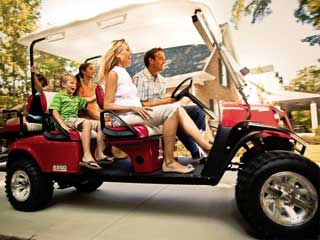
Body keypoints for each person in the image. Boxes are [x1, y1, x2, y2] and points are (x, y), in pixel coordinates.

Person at [97, 39, 212, 174]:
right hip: (123, 118)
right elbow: (107, 104)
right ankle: (200, 150)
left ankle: (194, 151)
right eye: (127, 50)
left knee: (177, 110)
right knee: (174, 110)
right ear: (117, 54)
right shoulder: (114, 73)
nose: (131, 52)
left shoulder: (124, 73)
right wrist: (133, 108)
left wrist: (138, 107)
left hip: (135, 114)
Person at [133, 47, 206, 160]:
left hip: (163, 111)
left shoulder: (162, 80)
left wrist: (171, 101)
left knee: (198, 111)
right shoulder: (139, 78)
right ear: (151, 61)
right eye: (161, 59)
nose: (164, 62)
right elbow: (140, 105)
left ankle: (198, 140)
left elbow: (163, 102)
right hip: (147, 114)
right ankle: (197, 151)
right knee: (178, 119)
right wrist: (165, 101)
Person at [49, 73, 109, 170]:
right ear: (64, 85)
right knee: (87, 122)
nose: (74, 85)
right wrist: (62, 125)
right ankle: (86, 156)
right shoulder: (59, 96)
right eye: (71, 83)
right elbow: (54, 111)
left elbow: (90, 99)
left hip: (75, 120)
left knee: (102, 123)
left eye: (75, 84)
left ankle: (99, 153)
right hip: (66, 120)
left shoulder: (76, 99)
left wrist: (103, 89)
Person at [75, 62, 127, 160]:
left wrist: (104, 115)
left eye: (93, 69)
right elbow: (84, 108)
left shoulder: (95, 86)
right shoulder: (79, 87)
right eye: (90, 69)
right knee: (105, 124)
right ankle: (100, 152)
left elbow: (101, 105)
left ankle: (110, 151)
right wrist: (99, 117)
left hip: (96, 114)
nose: (93, 71)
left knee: (114, 122)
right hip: (85, 116)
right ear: (83, 71)